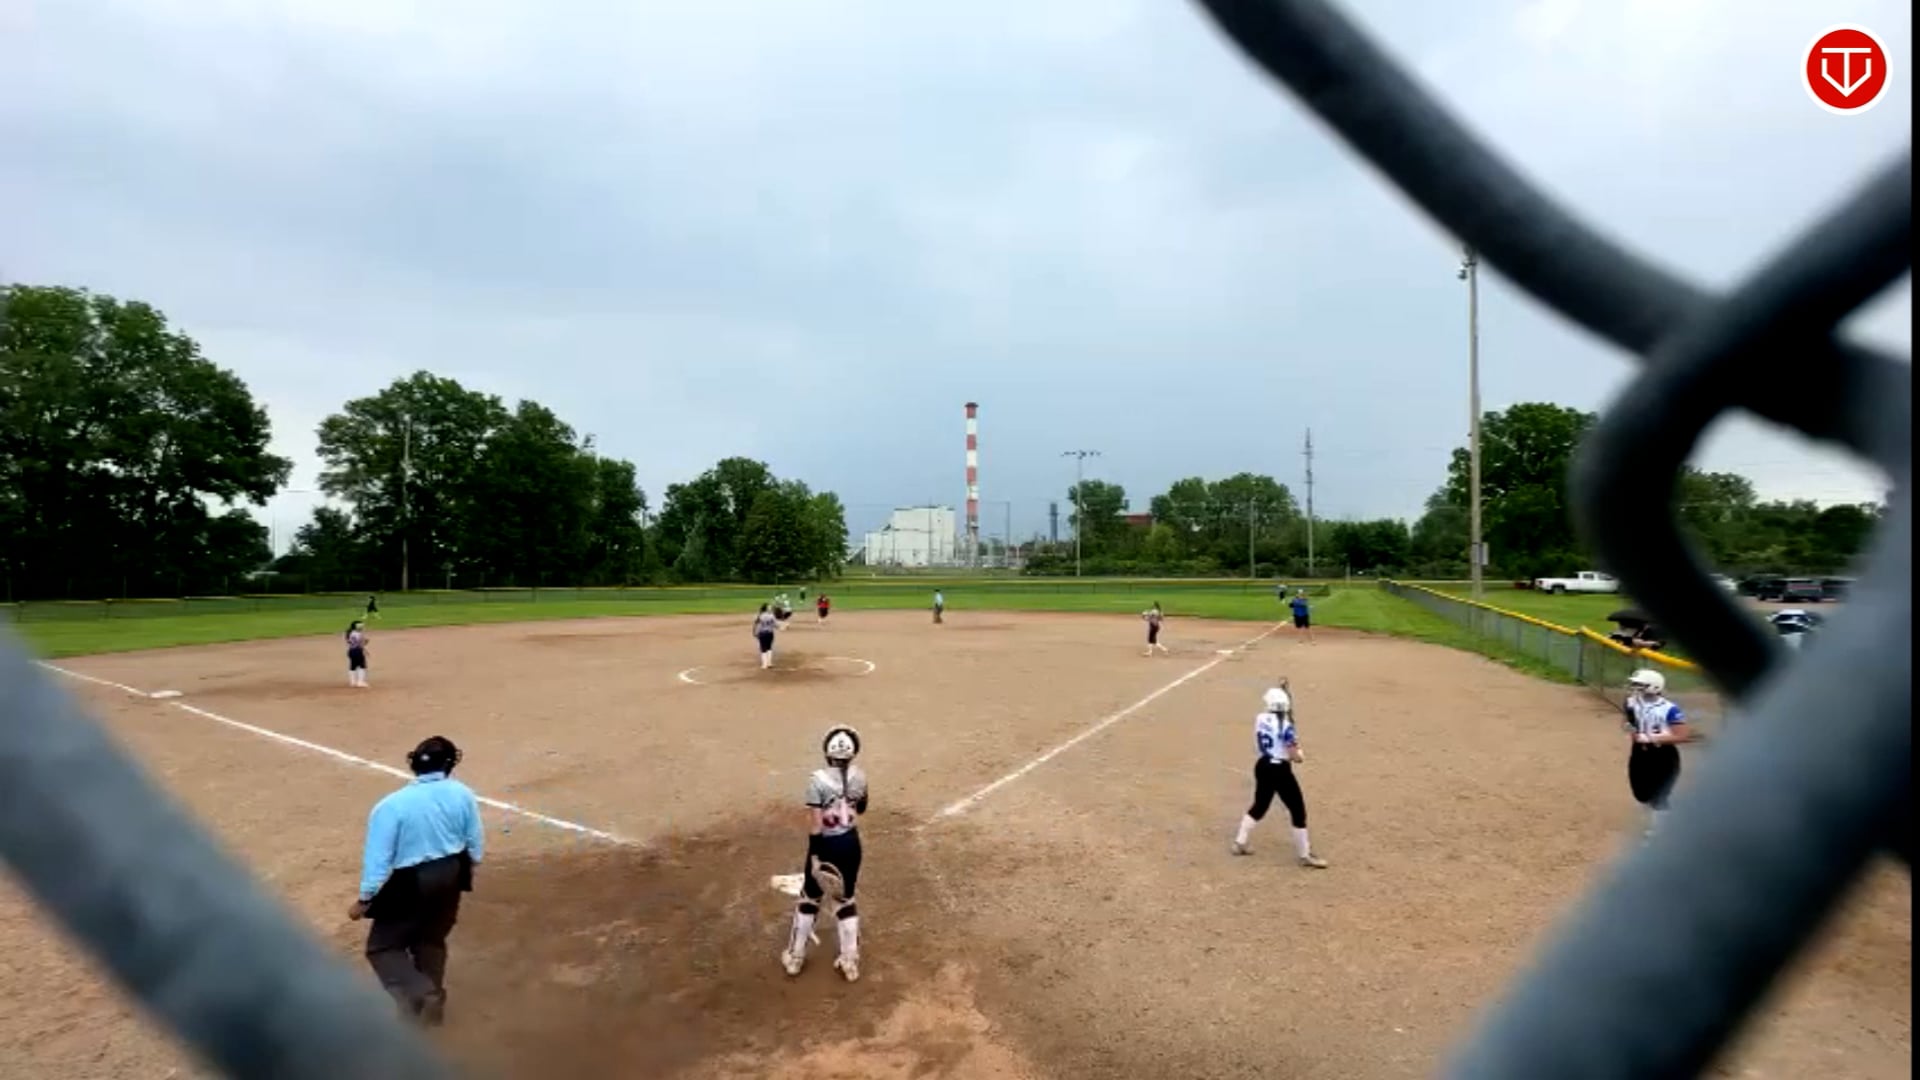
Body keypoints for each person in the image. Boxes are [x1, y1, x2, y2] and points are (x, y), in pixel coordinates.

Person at [348, 736, 484, 1026]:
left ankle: (422, 992)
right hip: (453, 873)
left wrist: (365, 898)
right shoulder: (463, 794)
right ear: (449, 764)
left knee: (383, 948)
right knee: (430, 940)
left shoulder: (390, 806)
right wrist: (463, 872)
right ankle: (429, 1012)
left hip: (412, 881)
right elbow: (475, 844)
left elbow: (379, 858)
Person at [782, 726, 869, 982]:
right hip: (851, 844)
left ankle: (795, 957)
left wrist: (815, 856)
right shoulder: (860, 777)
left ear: (827, 752)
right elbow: (861, 807)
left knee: (810, 898)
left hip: (827, 846)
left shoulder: (817, 781)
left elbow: (816, 826)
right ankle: (849, 962)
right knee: (845, 900)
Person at [1230, 686, 1329, 868]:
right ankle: (1305, 855)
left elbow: (1275, 726)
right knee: (1298, 810)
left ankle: (1240, 842)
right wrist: (1300, 755)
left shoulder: (1260, 718)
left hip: (1262, 765)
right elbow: (1294, 755)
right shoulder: (1286, 726)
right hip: (1280, 770)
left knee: (1260, 805)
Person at [1623, 669, 1689, 837]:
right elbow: (1630, 724)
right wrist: (1630, 729)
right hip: (1639, 753)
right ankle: (1654, 819)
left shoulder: (1669, 709)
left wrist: (1650, 738)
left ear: (1654, 686)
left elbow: (1681, 735)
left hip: (1663, 755)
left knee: (1659, 795)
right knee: (1641, 794)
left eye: (1640, 685)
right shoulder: (1631, 703)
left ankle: (1658, 832)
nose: (1635, 688)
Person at [754, 604, 780, 670]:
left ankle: (764, 664)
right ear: (766, 609)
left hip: (762, 634)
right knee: (769, 647)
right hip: (770, 633)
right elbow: (776, 625)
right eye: (769, 607)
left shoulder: (759, 615)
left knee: (763, 649)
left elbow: (756, 624)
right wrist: (780, 626)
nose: (770, 608)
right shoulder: (772, 616)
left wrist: (755, 633)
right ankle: (769, 663)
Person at [346, 619, 371, 688]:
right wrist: (366, 642)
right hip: (358, 651)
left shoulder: (350, 633)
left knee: (353, 666)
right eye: (361, 626)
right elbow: (360, 644)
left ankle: (353, 682)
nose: (363, 627)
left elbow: (350, 642)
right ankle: (360, 682)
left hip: (351, 651)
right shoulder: (359, 634)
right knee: (362, 666)